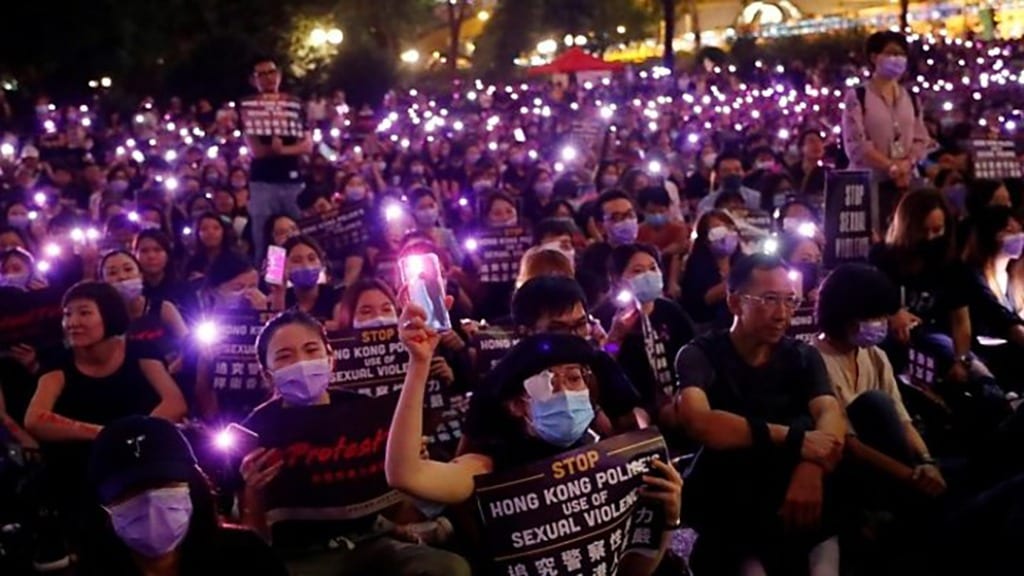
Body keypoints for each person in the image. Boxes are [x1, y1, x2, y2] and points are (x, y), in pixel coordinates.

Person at [385, 322, 682, 575]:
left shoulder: (613, 460)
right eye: (547, 383)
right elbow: (406, 474)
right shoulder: (489, 466)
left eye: (574, 378)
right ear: (517, 405)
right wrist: (419, 364)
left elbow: (635, 571)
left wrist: (668, 519)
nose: (565, 391)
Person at [238, 311, 471, 576]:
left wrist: (410, 463)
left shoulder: (365, 411)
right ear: (268, 375)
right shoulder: (255, 430)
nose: (302, 363)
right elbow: (253, 538)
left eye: (311, 349)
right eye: (285, 356)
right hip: (301, 557)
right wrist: (252, 491)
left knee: (449, 568)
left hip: (373, 542)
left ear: (330, 358)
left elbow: (400, 509)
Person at [666, 254, 845, 575]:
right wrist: (795, 439)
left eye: (790, 301)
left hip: (794, 486)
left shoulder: (803, 356)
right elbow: (701, 422)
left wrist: (811, 468)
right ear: (735, 303)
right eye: (769, 300)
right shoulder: (700, 354)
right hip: (733, 495)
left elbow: (830, 415)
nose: (782, 315)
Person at [871, 189, 1009, 440]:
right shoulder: (882, 257)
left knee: (985, 386)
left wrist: (961, 359)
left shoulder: (950, 264)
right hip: (887, 340)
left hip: (931, 336)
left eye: (938, 230)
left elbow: (961, 320)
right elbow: (863, 303)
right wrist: (891, 313)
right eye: (924, 230)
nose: (931, 237)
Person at [78, 415, 287, 575]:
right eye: (131, 491)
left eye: (164, 483)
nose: (151, 502)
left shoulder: (247, 557)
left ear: (193, 487)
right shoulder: (92, 570)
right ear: (104, 508)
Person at [815, 263, 946, 497]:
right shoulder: (815, 361)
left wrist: (926, 462)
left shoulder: (875, 355)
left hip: (902, 464)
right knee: (875, 402)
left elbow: (902, 419)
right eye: (874, 316)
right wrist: (910, 478)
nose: (881, 323)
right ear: (846, 315)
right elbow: (849, 444)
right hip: (856, 470)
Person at [510, 275, 646, 433]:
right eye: (558, 329)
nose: (573, 337)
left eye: (580, 325)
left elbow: (631, 434)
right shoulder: (508, 379)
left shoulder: (600, 363)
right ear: (525, 332)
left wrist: (614, 341)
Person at [595, 244, 695, 426]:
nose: (648, 275)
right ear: (618, 280)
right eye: (638, 271)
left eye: (653, 268)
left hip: (676, 394)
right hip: (635, 403)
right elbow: (605, 363)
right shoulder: (606, 316)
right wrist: (616, 337)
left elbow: (693, 350)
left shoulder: (670, 310)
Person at [843, 31, 930, 216]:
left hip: (906, 182)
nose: (897, 59)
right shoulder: (858, 96)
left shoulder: (911, 97)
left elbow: (921, 138)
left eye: (901, 54)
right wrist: (890, 166)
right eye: (891, 53)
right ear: (874, 57)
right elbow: (856, 143)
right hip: (869, 184)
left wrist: (907, 164)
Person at [245, 57, 312, 264]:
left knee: (299, 233)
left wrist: (282, 149)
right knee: (265, 236)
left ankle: (304, 276)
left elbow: (307, 144)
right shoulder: (251, 109)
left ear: (279, 75)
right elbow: (256, 150)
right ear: (254, 80)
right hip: (263, 183)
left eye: (271, 72)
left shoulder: (294, 106)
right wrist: (277, 150)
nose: (268, 78)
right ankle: (270, 282)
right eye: (261, 74)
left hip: (293, 181)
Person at [962, 206, 1024, 390]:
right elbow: (1003, 321)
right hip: (990, 358)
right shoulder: (973, 276)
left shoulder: (1015, 276)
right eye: (1008, 231)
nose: (1019, 236)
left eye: (1018, 230)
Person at [99, 250, 189, 373]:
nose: (122, 277)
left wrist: (173, 368)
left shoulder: (164, 308)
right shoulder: (101, 318)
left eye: (128, 269)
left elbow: (189, 344)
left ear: (140, 275)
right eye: (112, 273)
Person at [680, 209, 741, 332]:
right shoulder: (696, 265)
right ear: (705, 239)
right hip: (708, 326)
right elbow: (700, 302)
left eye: (729, 228)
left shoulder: (743, 261)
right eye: (718, 231)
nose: (726, 235)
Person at [578, 190, 639, 305]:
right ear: (600, 226)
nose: (626, 221)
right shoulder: (592, 259)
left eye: (630, 215)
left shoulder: (646, 253)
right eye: (617, 218)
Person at [636, 186, 690, 299]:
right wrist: (664, 251)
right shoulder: (638, 231)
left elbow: (677, 254)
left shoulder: (678, 229)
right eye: (652, 211)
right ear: (642, 211)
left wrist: (672, 282)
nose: (657, 215)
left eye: (661, 211)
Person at [269, 234, 339, 320]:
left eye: (311, 259)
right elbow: (274, 329)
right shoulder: (281, 297)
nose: (306, 265)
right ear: (283, 266)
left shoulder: (336, 296)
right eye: (296, 261)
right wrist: (279, 291)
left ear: (321, 263)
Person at [696, 151, 762, 215]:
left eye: (737, 170)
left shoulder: (756, 198)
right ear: (717, 174)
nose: (732, 173)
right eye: (726, 171)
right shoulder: (706, 204)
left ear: (743, 172)